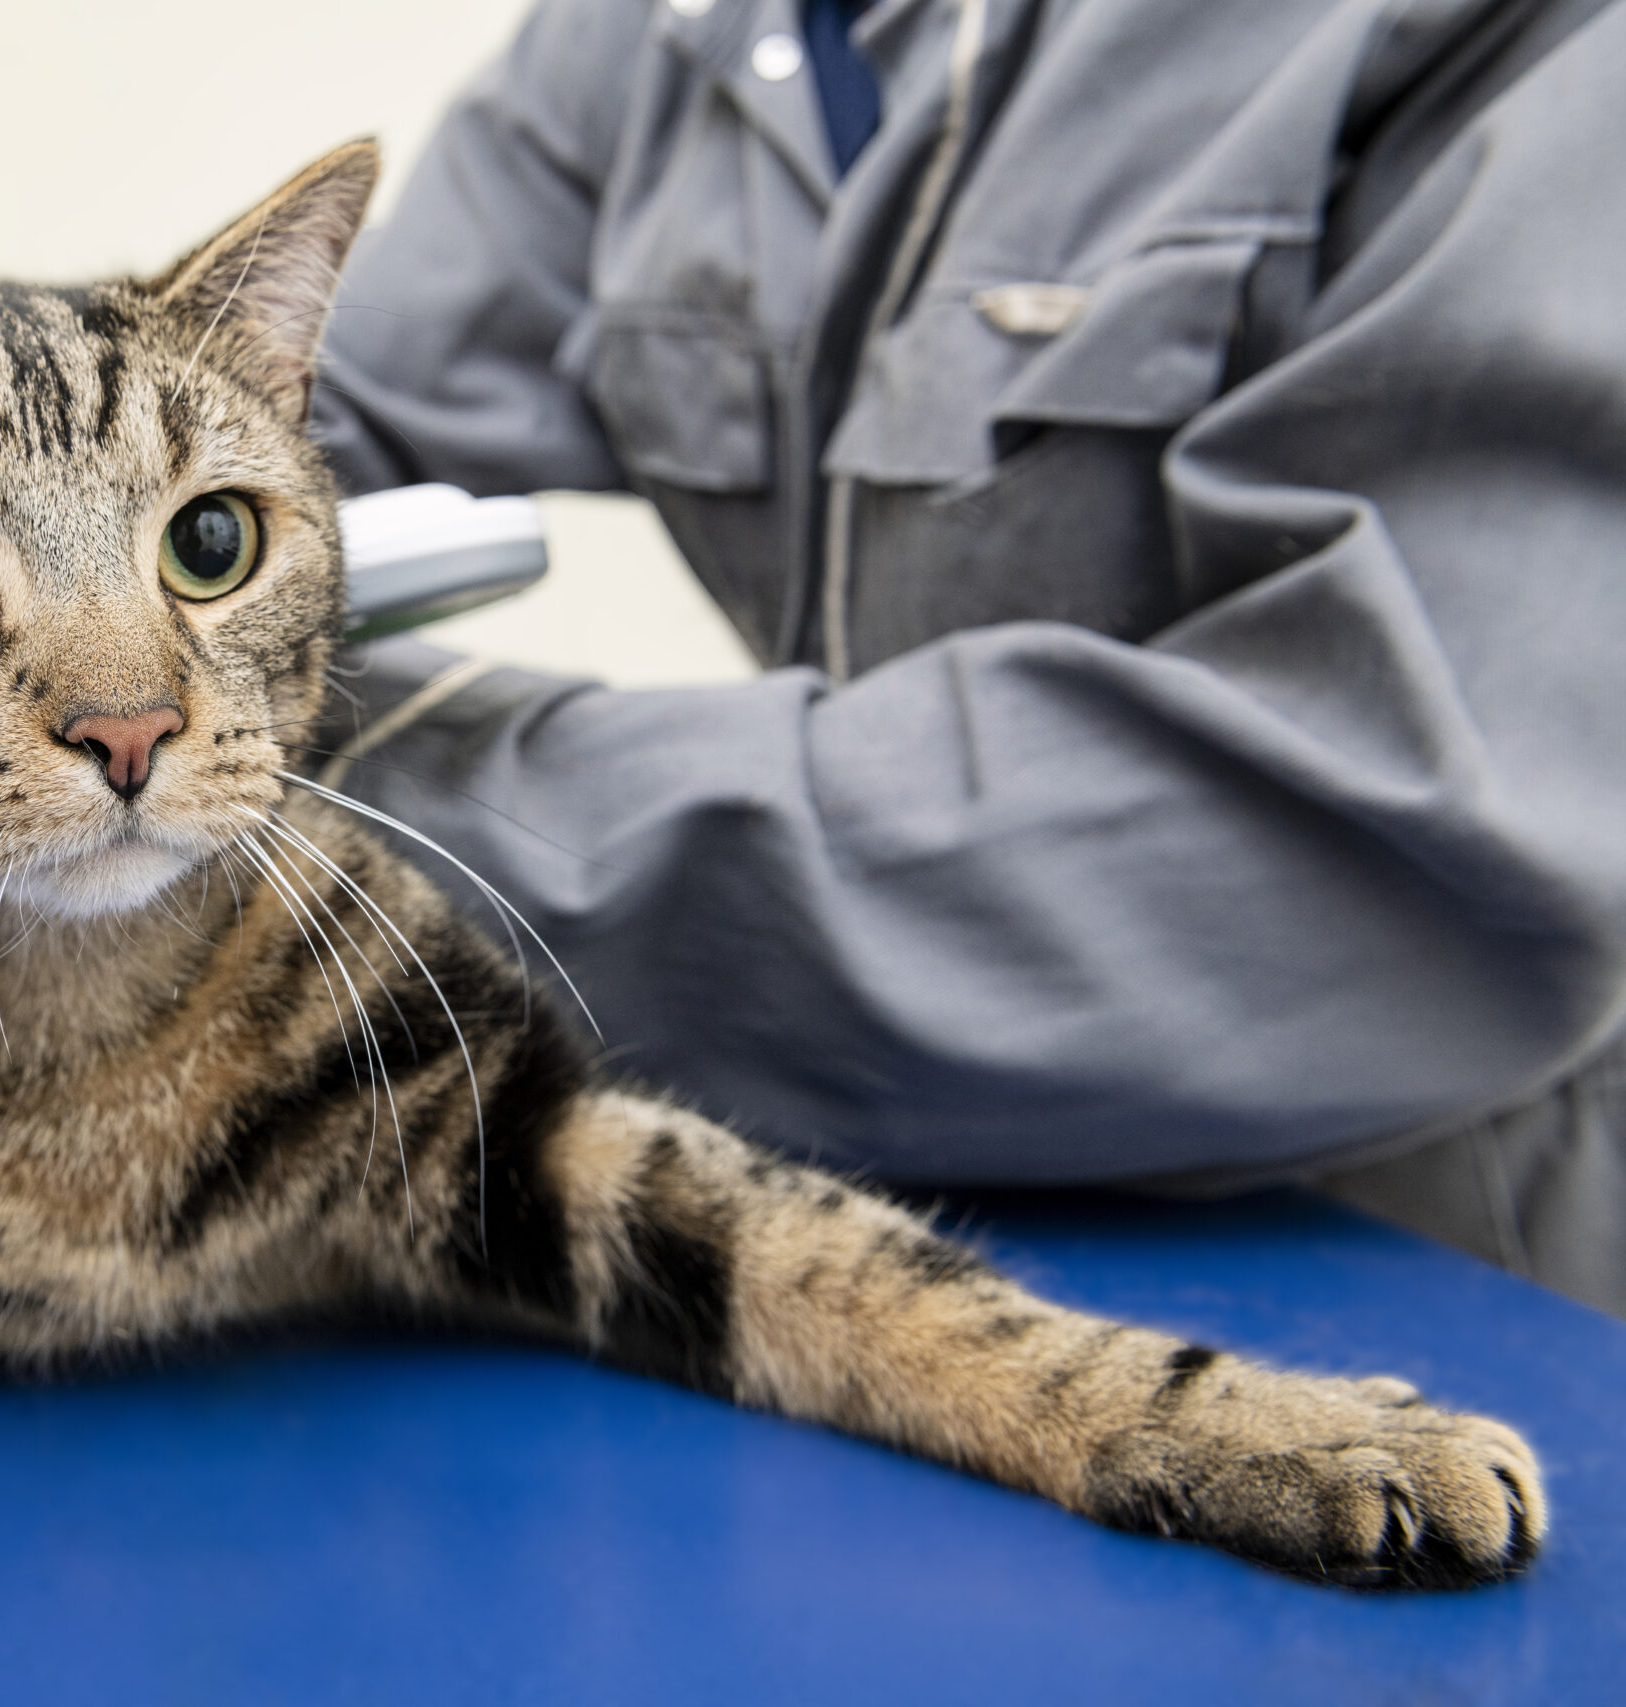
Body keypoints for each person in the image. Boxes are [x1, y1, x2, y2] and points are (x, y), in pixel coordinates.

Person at [307, 0, 1626, 1313]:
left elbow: (1410, 842)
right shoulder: (667, 31)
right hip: (854, 1208)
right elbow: (281, 402)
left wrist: (359, 812)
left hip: (1397, 1248)